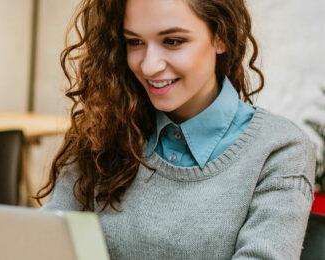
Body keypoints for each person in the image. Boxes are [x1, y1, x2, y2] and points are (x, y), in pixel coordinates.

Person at [37, 0, 316, 259]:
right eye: (134, 42)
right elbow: (43, 247)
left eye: (172, 41)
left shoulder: (279, 150)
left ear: (221, 36)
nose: (149, 65)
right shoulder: (103, 131)